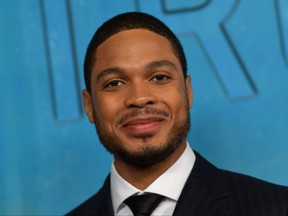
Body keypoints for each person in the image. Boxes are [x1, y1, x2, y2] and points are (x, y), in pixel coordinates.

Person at [67, 12, 288, 216]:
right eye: (114, 83)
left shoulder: (277, 206)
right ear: (89, 105)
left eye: (159, 77)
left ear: (188, 91)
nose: (139, 98)